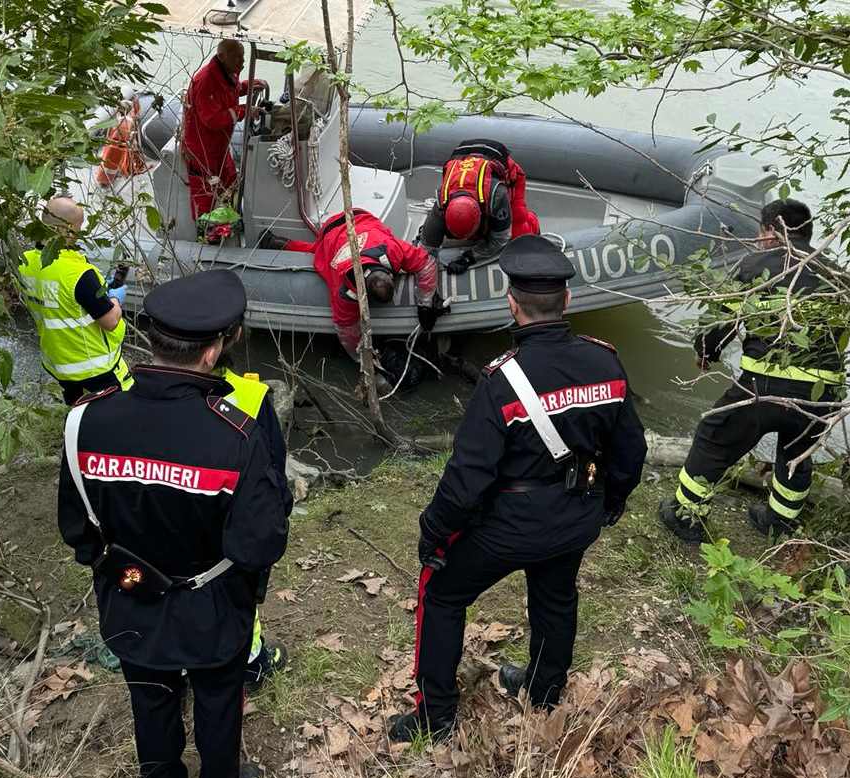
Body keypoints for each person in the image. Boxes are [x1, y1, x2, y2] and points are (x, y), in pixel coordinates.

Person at [388, 235, 647, 742]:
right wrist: (609, 503)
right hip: (576, 516)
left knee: (441, 595)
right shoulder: (606, 364)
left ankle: (435, 715)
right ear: (567, 301)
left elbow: (467, 480)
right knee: (556, 599)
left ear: (512, 305)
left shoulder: (501, 383)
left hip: (507, 526)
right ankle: (543, 692)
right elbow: (630, 451)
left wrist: (433, 534)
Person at [57, 269, 289, 778]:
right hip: (215, 606)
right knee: (218, 707)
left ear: (152, 339)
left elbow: (78, 532)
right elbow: (259, 542)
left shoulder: (85, 422)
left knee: (151, 706)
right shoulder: (239, 430)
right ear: (213, 352)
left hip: (129, 597)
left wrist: (126, 570)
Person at [659, 198, 850, 542]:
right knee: (796, 457)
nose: (760, 240)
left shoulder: (753, 266)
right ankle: (779, 522)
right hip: (820, 399)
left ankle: (685, 514)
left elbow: (721, 320)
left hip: (762, 388)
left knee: (713, 438)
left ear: (772, 231)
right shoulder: (839, 277)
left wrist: (705, 351)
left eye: (761, 232)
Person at [258, 209, 448, 359]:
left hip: (356, 218)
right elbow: (346, 331)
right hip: (339, 227)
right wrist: (364, 359)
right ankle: (280, 244)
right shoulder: (343, 291)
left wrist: (426, 303)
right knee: (319, 254)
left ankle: (280, 243)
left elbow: (426, 263)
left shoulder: (391, 250)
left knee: (318, 250)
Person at [214, 346, 292, 690]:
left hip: (169, 541)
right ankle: (251, 663)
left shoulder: (131, 396)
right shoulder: (250, 396)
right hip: (234, 535)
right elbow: (274, 472)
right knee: (240, 592)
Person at [17, 197, 132, 405]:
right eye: (78, 227)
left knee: (78, 410)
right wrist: (115, 298)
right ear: (67, 229)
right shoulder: (78, 274)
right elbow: (110, 321)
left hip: (59, 363)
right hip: (95, 366)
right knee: (122, 409)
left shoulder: (24, 262)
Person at [418, 139, 541, 275]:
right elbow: (427, 249)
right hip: (464, 159)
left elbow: (500, 240)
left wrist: (468, 258)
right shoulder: (442, 201)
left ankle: (533, 221)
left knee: (519, 229)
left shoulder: (497, 195)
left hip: (503, 168)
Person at [181, 40, 266, 223]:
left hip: (219, 147)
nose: (242, 62)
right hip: (202, 150)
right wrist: (244, 110)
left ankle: (231, 219)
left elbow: (229, 92)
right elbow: (211, 119)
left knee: (230, 181)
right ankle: (207, 231)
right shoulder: (206, 80)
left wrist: (247, 86)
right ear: (222, 56)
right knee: (206, 194)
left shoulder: (227, 73)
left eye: (243, 57)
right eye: (238, 57)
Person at [95, 94, 149, 188]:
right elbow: (132, 136)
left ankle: (104, 183)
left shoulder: (117, 120)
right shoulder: (130, 121)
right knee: (115, 168)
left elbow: (109, 134)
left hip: (112, 146)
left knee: (107, 167)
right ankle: (111, 183)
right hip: (122, 148)